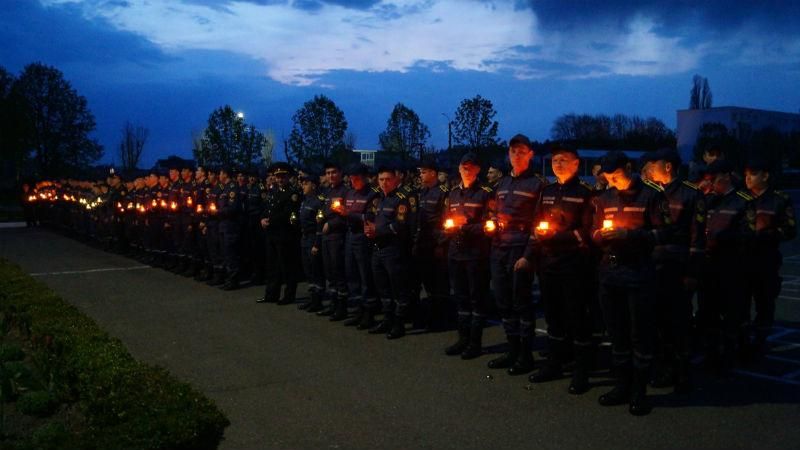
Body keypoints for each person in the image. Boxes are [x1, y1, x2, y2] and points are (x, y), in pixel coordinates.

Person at [592, 150, 671, 416]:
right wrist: (601, 236)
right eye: (607, 177)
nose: (612, 181)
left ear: (628, 167)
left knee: (640, 334)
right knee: (617, 333)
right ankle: (621, 386)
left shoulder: (652, 195)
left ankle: (639, 391)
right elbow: (594, 232)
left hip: (639, 274)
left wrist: (630, 235)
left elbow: (665, 232)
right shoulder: (604, 198)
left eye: (616, 176)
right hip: (610, 274)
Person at [523, 146, 595, 395]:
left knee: (577, 317)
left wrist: (560, 236)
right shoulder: (548, 191)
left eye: (564, 160)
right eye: (555, 160)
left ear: (577, 164)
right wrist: (531, 253)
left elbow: (588, 230)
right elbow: (535, 222)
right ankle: (554, 364)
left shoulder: (586, 193)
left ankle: (581, 371)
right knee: (553, 316)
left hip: (573, 263)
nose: (558, 164)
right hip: (548, 262)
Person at [645, 148, 706, 393]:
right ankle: (663, 367)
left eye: (653, 164)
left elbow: (697, 237)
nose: (648, 169)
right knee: (657, 320)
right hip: (653, 266)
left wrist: (692, 273)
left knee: (678, 321)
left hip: (678, 266)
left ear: (668, 166)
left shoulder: (691, 194)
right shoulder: (650, 193)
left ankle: (682, 372)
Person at [487, 134, 545, 375]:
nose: (517, 156)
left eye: (522, 151)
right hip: (499, 249)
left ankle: (525, 354)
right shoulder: (502, 184)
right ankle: (512, 349)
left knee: (522, 302)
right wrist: (491, 221)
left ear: (530, 155)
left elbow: (540, 221)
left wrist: (529, 255)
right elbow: (493, 211)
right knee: (503, 302)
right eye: (513, 152)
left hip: (520, 251)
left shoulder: (538, 184)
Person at [698, 159, 755, 373]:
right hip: (708, 266)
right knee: (707, 313)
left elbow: (748, 234)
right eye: (708, 180)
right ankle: (711, 355)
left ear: (727, 176)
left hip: (731, 267)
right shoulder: (708, 200)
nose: (711, 184)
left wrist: (720, 237)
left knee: (732, 315)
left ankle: (729, 358)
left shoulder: (743, 201)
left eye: (714, 179)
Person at [443, 153, 494, 358]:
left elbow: (491, 224)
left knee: (477, 299)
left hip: (476, 254)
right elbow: (446, 219)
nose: (466, 170)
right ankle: (462, 339)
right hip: (455, 253)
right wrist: (448, 228)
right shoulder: (453, 194)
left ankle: (475, 343)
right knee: (461, 298)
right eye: (463, 166)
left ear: (478, 170)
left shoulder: (486, 193)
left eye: (471, 167)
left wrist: (468, 227)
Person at [743, 158, 796, 360]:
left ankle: (760, 341)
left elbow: (790, 230)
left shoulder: (779, 200)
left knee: (765, 303)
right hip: (742, 260)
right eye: (746, 174)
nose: (748, 178)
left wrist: (767, 234)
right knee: (741, 302)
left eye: (753, 174)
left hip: (766, 260)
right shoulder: (741, 197)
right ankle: (744, 340)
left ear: (765, 176)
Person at [365, 166, 414, 339]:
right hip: (378, 249)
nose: (384, 183)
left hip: (394, 249)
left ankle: (399, 323)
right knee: (383, 287)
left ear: (396, 179)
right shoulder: (379, 199)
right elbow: (371, 217)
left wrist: (377, 230)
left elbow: (400, 225)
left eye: (388, 179)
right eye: (381, 179)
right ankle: (387, 318)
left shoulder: (402, 198)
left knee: (398, 288)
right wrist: (369, 228)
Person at [414, 157, 451, 331]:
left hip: (436, 244)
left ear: (433, 173)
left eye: (423, 172)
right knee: (428, 283)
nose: (420, 175)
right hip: (423, 242)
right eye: (420, 172)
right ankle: (431, 316)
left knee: (439, 284)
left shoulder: (442, 192)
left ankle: (442, 319)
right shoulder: (422, 192)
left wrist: (441, 244)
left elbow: (446, 220)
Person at [341, 164, 380, 325]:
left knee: (365, 274)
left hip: (364, 238)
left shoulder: (373, 195)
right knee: (352, 273)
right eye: (351, 178)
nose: (353, 181)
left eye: (356, 178)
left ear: (365, 177)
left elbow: (371, 216)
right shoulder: (350, 192)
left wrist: (349, 214)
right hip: (350, 235)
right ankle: (358, 310)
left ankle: (369, 311)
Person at [258, 162, 302, 304]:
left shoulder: (292, 193)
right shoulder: (273, 191)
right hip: (271, 234)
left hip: (284, 234)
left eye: (283, 176)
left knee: (287, 266)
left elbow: (288, 213)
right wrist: (262, 219)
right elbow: (267, 208)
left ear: (288, 177)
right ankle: (271, 294)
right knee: (272, 266)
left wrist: (269, 220)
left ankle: (289, 295)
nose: (280, 179)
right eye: (277, 176)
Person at [318, 162, 350, 317]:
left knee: (338, 270)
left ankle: (342, 306)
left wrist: (330, 224)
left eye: (334, 172)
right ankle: (333, 302)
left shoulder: (346, 192)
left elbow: (346, 215)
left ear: (341, 173)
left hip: (337, 236)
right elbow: (324, 211)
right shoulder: (327, 191)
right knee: (329, 270)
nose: (331, 175)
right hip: (326, 237)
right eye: (328, 173)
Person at [296, 171, 327, 313]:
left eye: (306, 183)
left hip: (313, 238)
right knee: (308, 270)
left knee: (316, 270)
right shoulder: (305, 200)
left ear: (313, 185)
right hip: (304, 238)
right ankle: (312, 298)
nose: (303, 186)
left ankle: (318, 300)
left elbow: (320, 224)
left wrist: (316, 244)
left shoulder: (319, 201)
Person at [216, 167, 243, 290]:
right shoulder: (224, 188)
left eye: (220, 173)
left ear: (225, 174)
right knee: (225, 254)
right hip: (223, 225)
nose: (219, 176)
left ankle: (234, 280)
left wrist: (218, 211)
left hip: (230, 226)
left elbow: (233, 208)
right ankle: (228, 279)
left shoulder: (232, 188)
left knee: (231, 254)